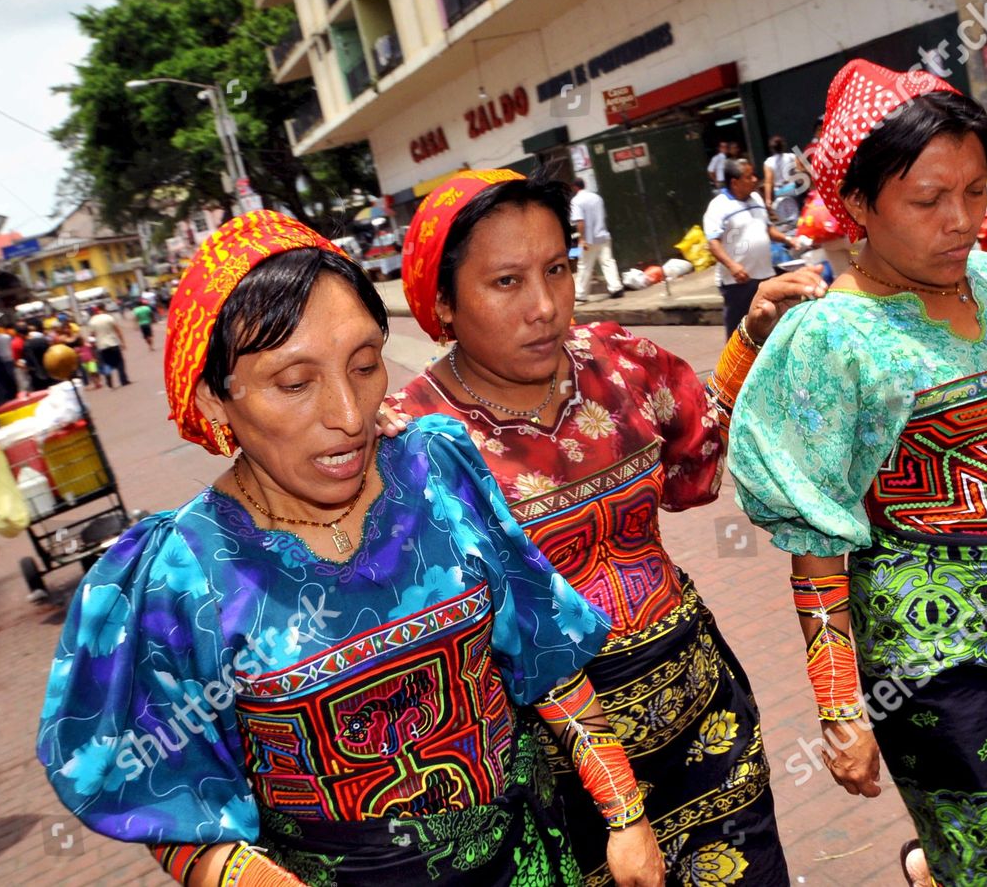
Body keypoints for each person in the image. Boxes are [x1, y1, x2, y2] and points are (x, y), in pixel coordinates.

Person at [38, 209, 663, 887]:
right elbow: (173, 805)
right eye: (294, 383)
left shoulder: (437, 470)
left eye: (364, 366)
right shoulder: (176, 576)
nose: (347, 414)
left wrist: (625, 813)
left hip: (532, 864)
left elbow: (542, 646)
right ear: (215, 400)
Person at [729, 59, 987, 887]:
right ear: (855, 206)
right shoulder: (828, 339)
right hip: (937, 657)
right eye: (927, 200)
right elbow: (814, 541)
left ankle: (934, 872)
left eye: (977, 193)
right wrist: (842, 706)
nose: (961, 223)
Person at [393, 169, 826, 886]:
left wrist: (750, 334)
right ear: (442, 301)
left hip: (701, 717)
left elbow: (697, 464)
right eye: (506, 282)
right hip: (559, 771)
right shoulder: (415, 439)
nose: (544, 306)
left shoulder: (618, 361)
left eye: (557, 269)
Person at [704, 158, 800, 337]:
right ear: (735, 182)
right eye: (749, 177)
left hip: (764, 275)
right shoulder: (718, 206)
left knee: (769, 325)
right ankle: (733, 365)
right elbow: (713, 243)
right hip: (738, 282)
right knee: (738, 331)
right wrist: (732, 266)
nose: (755, 179)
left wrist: (789, 240)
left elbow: (768, 228)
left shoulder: (756, 198)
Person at [570, 178, 624, 303]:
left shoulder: (576, 201)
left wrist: (581, 239)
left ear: (575, 187)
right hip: (602, 235)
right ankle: (616, 288)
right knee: (608, 262)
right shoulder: (597, 198)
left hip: (589, 239)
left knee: (584, 265)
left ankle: (581, 293)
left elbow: (580, 221)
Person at [87, 306, 131, 388]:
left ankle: (109, 381)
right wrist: (123, 342)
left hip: (101, 345)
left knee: (106, 363)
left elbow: (91, 336)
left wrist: (92, 347)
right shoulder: (108, 317)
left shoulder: (92, 322)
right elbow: (117, 330)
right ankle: (123, 379)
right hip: (113, 342)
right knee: (119, 362)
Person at [21, 322, 54, 391]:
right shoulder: (43, 339)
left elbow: (29, 361)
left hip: (38, 374)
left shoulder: (27, 344)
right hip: (50, 369)